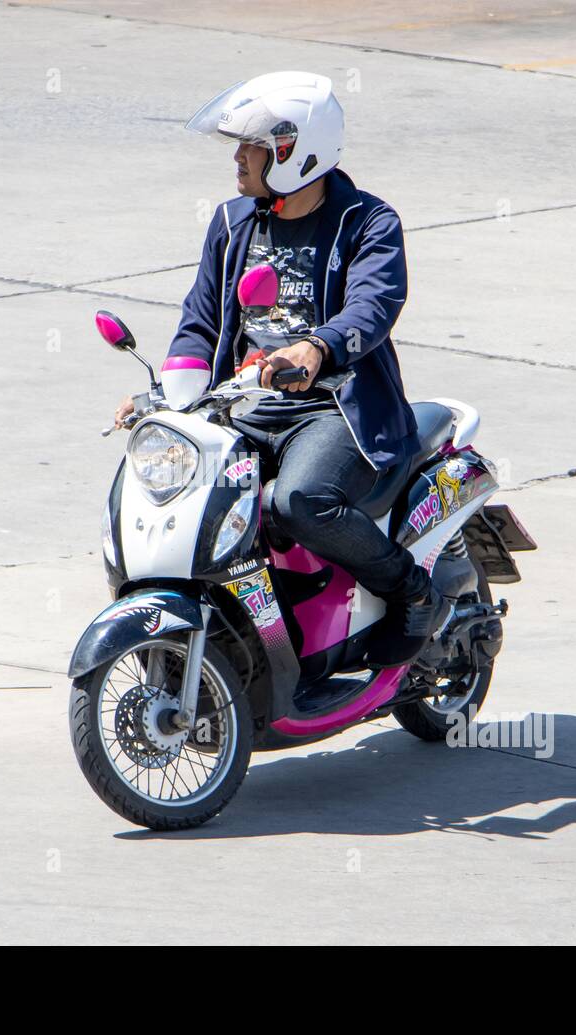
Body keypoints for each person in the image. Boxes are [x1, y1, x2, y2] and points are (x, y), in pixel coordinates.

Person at [114, 70, 442, 665]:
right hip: (243, 405)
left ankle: (410, 590)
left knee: (298, 500)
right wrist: (164, 396)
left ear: (293, 152)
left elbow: (373, 306)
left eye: (253, 147)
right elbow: (201, 320)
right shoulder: (233, 220)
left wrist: (317, 348)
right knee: (173, 490)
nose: (238, 158)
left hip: (335, 408)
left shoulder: (368, 223)